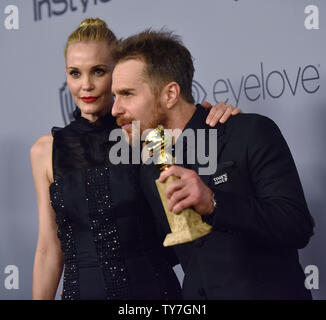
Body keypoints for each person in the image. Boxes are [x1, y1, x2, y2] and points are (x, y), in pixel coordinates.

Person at [30, 18, 240, 300]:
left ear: (117, 74)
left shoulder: (151, 135)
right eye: (75, 73)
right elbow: (48, 249)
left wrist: (219, 115)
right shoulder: (46, 151)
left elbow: (189, 226)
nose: (86, 85)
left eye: (99, 71)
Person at [111, 29, 315, 299]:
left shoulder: (248, 132)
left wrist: (213, 202)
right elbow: (165, 254)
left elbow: (296, 226)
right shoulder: (150, 168)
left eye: (127, 94)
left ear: (170, 94)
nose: (115, 109)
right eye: (115, 96)